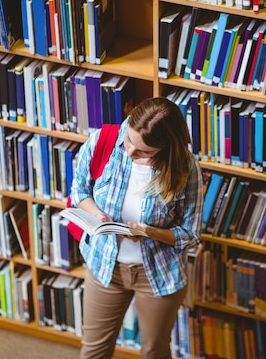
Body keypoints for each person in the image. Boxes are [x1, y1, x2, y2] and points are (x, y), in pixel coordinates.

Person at [69, 97, 203, 359]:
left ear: (165, 149)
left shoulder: (186, 168)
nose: (130, 152)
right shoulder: (102, 141)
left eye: (143, 152)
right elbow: (79, 191)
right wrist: (98, 215)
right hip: (105, 265)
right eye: (129, 140)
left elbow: (190, 235)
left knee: (155, 351)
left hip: (158, 273)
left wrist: (149, 232)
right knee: (93, 351)